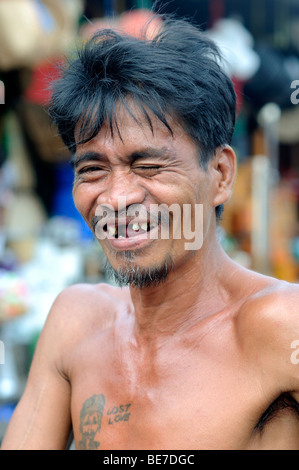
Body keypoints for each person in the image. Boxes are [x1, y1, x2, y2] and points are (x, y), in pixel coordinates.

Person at [2, 13, 299, 451]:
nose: (117, 198)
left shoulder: (277, 326)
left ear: (219, 174)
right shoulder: (77, 322)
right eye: (93, 169)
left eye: (149, 166)